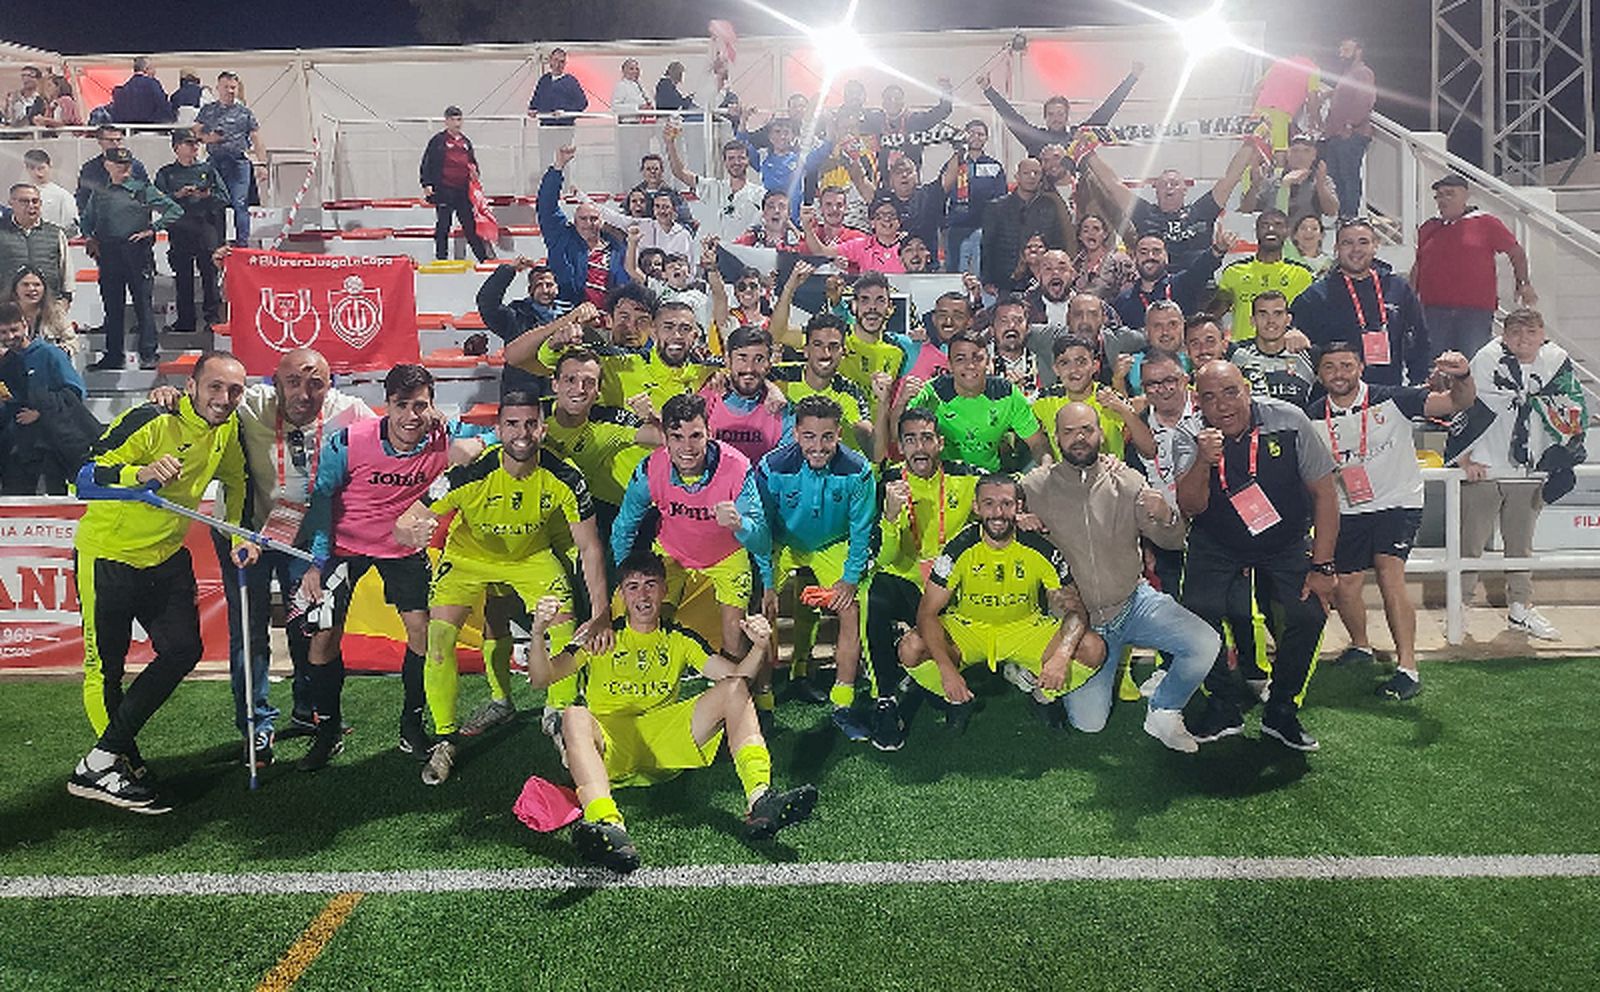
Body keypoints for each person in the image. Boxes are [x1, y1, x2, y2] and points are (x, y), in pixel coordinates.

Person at [148, 348, 375, 760]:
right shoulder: (249, 402)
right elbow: (206, 404)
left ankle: (309, 711)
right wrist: (168, 397)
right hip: (242, 532)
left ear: (330, 385)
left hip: (303, 541)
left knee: (305, 626)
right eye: (293, 382)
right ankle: (256, 724)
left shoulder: (350, 411)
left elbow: (392, 434)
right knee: (249, 632)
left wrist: (436, 423)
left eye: (316, 383)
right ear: (274, 381)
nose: (305, 393)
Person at [528, 552, 817, 873]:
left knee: (734, 690)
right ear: (621, 595)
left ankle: (761, 799)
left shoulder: (679, 638)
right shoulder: (602, 637)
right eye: (633, 587)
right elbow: (542, 678)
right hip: (612, 748)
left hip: (665, 744)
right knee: (574, 715)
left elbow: (739, 679)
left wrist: (762, 646)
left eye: (651, 585)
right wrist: (539, 631)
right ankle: (607, 822)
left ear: (665, 590)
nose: (643, 595)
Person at [67, 352, 253, 813]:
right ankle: (113, 763)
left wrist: (235, 532)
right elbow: (81, 479)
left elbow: (236, 481)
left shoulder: (226, 428)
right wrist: (139, 476)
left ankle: (100, 760)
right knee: (105, 669)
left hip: (166, 557)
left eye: (234, 391)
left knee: (182, 650)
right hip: (108, 556)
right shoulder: (150, 418)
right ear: (191, 386)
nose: (225, 398)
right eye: (215, 387)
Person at [394, 393, 612, 786]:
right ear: (498, 430)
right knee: (439, 637)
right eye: (512, 424)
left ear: (542, 428)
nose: (522, 433)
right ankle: (445, 738)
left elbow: (590, 547)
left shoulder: (565, 474)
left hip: (531, 555)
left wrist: (600, 614)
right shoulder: (469, 471)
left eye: (531, 424)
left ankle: (559, 716)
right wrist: (412, 530)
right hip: (467, 557)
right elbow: (406, 520)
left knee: (565, 625)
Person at [297, 365, 492, 772]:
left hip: (402, 550)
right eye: (401, 405)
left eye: (420, 405)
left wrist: (466, 434)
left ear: (432, 406)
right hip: (343, 547)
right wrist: (317, 561)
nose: (410, 416)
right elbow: (322, 498)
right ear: (386, 405)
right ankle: (328, 730)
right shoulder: (349, 441)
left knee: (423, 630)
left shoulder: (443, 435)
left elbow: (499, 439)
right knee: (323, 638)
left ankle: (411, 723)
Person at [1022, 402, 1218, 749]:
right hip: (1078, 623)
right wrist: (1016, 522)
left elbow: (1173, 542)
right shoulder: (1035, 487)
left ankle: (1164, 710)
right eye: (1068, 432)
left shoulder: (1126, 479)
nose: (1079, 438)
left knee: (1205, 643)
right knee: (1089, 724)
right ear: (1056, 438)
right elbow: (989, 511)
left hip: (1133, 603)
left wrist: (1166, 516)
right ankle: (1031, 675)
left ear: (1101, 434)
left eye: (1087, 430)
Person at [1171, 361, 1339, 751]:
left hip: (1284, 539)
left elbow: (1325, 495)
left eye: (1230, 392)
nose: (1222, 405)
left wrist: (1323, 566)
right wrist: (1202, 460)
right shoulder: (1188, 434)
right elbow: (1191, 506)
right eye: (1209, 397)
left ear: (1247, 389)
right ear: (1198, 402)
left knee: (1308, 612)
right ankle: (1222, 704)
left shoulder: (1290, 420)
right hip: (1216, 540)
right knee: (1196, 612)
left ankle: (1281, 710)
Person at [1310, 341, 1477, 699]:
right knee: (1346, 584)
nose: (1339, 373)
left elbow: (1456, 403)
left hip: (1396, 502)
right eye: (1330, 367)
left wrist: (1462, 375)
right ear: (1319, 373)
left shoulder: (1394, 398)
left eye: (1346, 365)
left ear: (1361, 367)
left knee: (1389, 572)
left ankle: (1407, 668)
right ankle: (1360, 646)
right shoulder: (1311, 416)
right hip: (1347, 508)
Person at [896, 472, 1102, 734]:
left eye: (1006, 504)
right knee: (910, 647)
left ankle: (1043, 697)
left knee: (1092, 647)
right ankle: (956, 701)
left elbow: (1075, 609)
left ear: (1018, 507)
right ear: (976, 507)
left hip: (1024, 628)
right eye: (989, 504)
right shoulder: (958, 548)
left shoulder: (1040, 548)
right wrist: (947, 670)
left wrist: (1061, 656)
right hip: (969, 629)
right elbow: (927, 613)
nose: (998, 512)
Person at [1447, 308, 1587, 641]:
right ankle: (1458, 609)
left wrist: (1558, 458)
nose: (1523, 340)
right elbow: (1464, 406)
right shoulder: (1486, 359)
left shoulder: (1556, 363)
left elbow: (1573, 406)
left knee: (1520, 546)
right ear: (1504, 335)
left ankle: (1520, 610)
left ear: (1542, 334)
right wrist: (1465, 460)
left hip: (1529, 470)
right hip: (1486, 468)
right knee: (1470, 544)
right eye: (1516, 333)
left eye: (1531, 332)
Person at [613, 392, 769, 661]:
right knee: (647, 623)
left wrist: (741, 524)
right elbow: (625, 526)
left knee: (734, 634)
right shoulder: (650, 468)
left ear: (710, 432)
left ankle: (734, 698)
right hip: (671, 553)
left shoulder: (737, 467)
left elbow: (762, 538)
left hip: (727, 556)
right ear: (664, 438)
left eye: (695, 436)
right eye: (677, 437)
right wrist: (625, 576)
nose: (687, 447)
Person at [755, 395, 877, 740]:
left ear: (839, 433)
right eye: (809, 436)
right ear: (795, 433)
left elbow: (861, 530)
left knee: (851, 608)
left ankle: (843, 703)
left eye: (827, 437)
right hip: (784, 543)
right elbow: (761, 528)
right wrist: (766, 581)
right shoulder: (770, 467)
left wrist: (850, 579)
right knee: (762, 614)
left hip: (832, 544)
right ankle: (763, 705)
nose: (818, 446)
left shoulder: (858, 471)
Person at [868, 409, 982, 749]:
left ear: (940, 443)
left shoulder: (966, 477)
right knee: (872, 597)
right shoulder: (888, 483)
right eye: (911, 439)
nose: (920, 447)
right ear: (900, 446)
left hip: (949, 584)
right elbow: (885, 557)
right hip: (902, 579)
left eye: (927, 438)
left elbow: (1010, 489)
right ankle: (885, 698)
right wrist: (890, 515)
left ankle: (937, 683)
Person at [1082, 136, 1261, 271]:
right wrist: (1086, 153)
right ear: (1155, 189)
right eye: (1164, 184)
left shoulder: (1201, 210)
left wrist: (1252, 142)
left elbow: (1230, 179)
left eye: (1175, 184)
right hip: (1157, 283)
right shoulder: (1144, 212)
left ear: (1185, 190)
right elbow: (1113, 185)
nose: (1170, 187)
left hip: (1198, 285)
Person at [1291, 218, 1430, 387]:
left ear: (1375, 246)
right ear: (1336, 249)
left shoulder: (1398, 288)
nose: (1356, 249)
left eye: (1363, 242)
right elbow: (1292, 334)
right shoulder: (1316, 296)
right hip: (1337, 396)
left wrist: (1418, 384)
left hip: (1389, 392)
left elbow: (1420, 339)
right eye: (1347, 243)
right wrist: (1292, 332)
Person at [542, 346, 661, 543]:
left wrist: (652, 418)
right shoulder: (533, 414)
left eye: (589, 382)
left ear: (598, 391)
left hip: (581, 521)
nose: (579, 389)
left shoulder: (608, 421)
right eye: (570, 380)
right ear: (555, 384)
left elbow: (669, 439)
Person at [1411, 174, 1537, 357]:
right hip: (1434, 312)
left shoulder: (1486, 223)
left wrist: (1523, 283)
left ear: (1465, 196)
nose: (1443, 199)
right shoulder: (1428, 228)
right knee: (1434, 366)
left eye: (1449, 194)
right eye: (1439, 195)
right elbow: (1419, 264)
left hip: (1474, 313)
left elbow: (1516, 253)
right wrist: (1411, 297)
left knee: (1473, 364)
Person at [81, 147, 183, 371]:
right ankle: (113, 355)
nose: (123, 168)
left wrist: (152, 229)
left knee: (143, 305)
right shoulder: (100, 192)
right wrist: (89, 238)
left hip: (136, 251)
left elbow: (173, 210)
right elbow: (87, 219)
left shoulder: (142, 189)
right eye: (118, 164)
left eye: (126, 164)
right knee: (112, 306)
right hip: (108, 252)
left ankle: (148, 353)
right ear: (107, 165)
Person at [911, 330, 1049, 472]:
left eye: (977, 358)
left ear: (989, 363)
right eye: (960, 359)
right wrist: (901, 403)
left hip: (989, 481)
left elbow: (1037, 443)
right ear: (950, 365)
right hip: (943, 479)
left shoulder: (1006, 393)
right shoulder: (933, 392)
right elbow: (898, 436)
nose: (970, 365)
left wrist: (1045, 468)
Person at [0, 301, 99, 495]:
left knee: (49, 505)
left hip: (53, 448)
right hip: (19, 449)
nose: (10, 337)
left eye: (14, 330)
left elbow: (75, 392)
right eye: (3, 332)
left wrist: (40, 412)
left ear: (25, 324)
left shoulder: (50, 354)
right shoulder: (6, 363)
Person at [769, 313, 882, 458]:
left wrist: (883, 402)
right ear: (806, 350)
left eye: (833, 346)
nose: (826, 353)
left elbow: (873, 452)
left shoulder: (850, 391)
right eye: (818, 345)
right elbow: (744, 378)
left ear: (843, 352)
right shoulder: (779, 375)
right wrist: (769, 387)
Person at [477, 257, 592, 399]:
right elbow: (487, 303)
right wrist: (509, 270)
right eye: (539, 285)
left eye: (549, 285)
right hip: (522, 390)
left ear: (557, 288)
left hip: (562, 390)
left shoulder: (573, 315)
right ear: (530, 290)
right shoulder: (514, 316)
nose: (545, 290)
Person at [1032, 336, 1154, 463]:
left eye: (1081, 362)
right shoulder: (1044, 400)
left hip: (1108, 477)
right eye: (1064, 363)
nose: (1073, 370)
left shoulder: (1110, 398)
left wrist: (1124, 410)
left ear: (1095, 366)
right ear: (1056, 369)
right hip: (1063, 480)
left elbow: (1149, 451)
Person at [976, 64, 1142, 158]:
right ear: (1045, 118)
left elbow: (1106, 111)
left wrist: (1132, 78)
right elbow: (1011, 117)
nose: (1056, 119)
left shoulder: (1079, 136)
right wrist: (988, 90)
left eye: (1060, 114)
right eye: (1051, 115)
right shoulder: (1034, 137)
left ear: (1067, 117)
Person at [154, 131, 229, 335]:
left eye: (196, 143)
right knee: (183, 277)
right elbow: (156, 201)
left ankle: (212, 319)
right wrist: (177, 195)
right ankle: (185, 319)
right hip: (180, 230)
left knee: (209, 275)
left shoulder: (208, 170)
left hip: (205, 228)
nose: (194, 147)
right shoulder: (166, 173)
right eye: (188, 144)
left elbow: (224, 197)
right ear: (176, 147)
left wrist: (206, 195)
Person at [537, 144, 628, 307]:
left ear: (601, 222)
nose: (588, 224)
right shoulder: (561, 238)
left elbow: (624, 285)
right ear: (574, 221)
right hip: (567, 314)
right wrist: (558, 167)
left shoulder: (617, 249)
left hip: (606, 319)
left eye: (593, 219)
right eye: (583, 219)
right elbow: (546, 205)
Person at [1214, 209, 1315, 339]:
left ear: (1287, 231)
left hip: (1286, 353)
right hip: (1242, 354)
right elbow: (1214, 314)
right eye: (1265, 225)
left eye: (1278, 225)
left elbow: (1312, 317)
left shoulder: (1302, 275)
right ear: (1256, 231)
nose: (1271, 229)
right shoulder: (1234, 272)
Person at [665, 120, 764, 244]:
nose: (736, 162)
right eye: (731, 158)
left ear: (748, 161)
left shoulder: (760, 194)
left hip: (742, 255)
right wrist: (670, 143)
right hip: (711, 255)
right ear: (725, 162)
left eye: (741, 158)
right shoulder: (713, 187)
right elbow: (680, 173)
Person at [704, 325, 793, 463]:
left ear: (769, 363)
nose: (749, 368)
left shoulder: (781, 408)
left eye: (759, 359)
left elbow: (784, 465)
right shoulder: (706, 399)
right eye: (742, 358)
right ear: (727, 360)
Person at [979, 158, 1069, 293]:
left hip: (1041, 279)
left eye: (1036, 173)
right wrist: (987, 280)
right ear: (1017, 177)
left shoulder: (1049, 207)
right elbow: (987, 245)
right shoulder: (997, 207)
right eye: (1027, 173)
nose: (1032, 177)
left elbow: (1058, 243)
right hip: (1005, 280)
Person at [193, 72, 259, 246]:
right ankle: (217, 243)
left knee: (240, 203)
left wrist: (262, 163)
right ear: (218, 88)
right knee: (215, 204)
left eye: (233, 88)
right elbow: (195, 131)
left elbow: (257, 138)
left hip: (237, 162)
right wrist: (208, 138)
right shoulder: (208, 111)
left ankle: (242, 243)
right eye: (226, 87)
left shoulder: (245, 113)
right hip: (215, 161)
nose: (230, 91)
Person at [1111, 232, 1226, 330]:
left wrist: (1218, 250)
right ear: (1134, 258)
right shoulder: (1122, 302)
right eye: (1143, 252)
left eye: (1156, 251)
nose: (1150, 256)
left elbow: (1201, 268)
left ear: (1167, 257)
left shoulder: (1183, 284)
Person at [419, 106, 491, 263]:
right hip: (444, 189)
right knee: (443, 225)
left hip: (462, 191)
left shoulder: (465, 142)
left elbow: (472, 163)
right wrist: (427, 183)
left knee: (470, 226)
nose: (456, 123)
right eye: (453, 119)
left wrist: (475, 173)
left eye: (459, 119)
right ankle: (441, 258)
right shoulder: (438, 141)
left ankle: (483, 258)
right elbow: (427, 163)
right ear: (446, 121)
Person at [940, 119, 1006, 276]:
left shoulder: (995, 166)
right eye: (972, 133)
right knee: (955, 275)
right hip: (957, 228)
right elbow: (941, 194)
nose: (976, 137)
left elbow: (1002, 201)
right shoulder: (953, 164)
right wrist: (944, 224)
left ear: (986, 138)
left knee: (982, 274)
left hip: (984, 229)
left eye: (981, 134)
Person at [1320, 39, 1378, 219]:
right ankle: (1338, 215)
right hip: (1335, 135)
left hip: (1350, 134)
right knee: (1334, 178)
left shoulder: (1363, 72)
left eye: (1346, 49)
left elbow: (1365, 99)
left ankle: (1349, 217)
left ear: (1358, 51)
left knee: (1348, 176)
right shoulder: (1348, 74)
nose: (1341, 52)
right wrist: (1330, 93)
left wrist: (1350, 124)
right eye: (1340, 48)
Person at [1230, 291, 1315, 408]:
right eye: (1263, 314)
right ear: (1252, 320)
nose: (1271, 321)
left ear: (1288, 319)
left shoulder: (1308, 354)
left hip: (1297, 425)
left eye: (1278, 314)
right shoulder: (1235, 354)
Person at [0, 182, 71, 313]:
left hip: (50, 306)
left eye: (35, 201)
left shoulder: (55, 233)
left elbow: (66, 269)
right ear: (11, 203)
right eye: (24, 201)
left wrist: (66, 298)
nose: (31, 206)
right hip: (7, 308)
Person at [1239, 136, 1338, 221]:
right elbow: (1246, 209)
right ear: (1287, 154)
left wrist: (1320, 186)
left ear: (1314, 155)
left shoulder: (1322, 180)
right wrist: (1255, 185)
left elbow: (1332, 211)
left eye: (1306, 151)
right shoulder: (1271, 180)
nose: (1300, 155)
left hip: (1305, 237)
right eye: (1295, 151)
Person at [1251, 53, 1322, 158]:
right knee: (1280, 149)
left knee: (1252, 146)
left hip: (1259, 110)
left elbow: (1257, 88)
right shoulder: (1312, 68)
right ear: (1315, 58)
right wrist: (1314, 121)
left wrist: (1254, 110)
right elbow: (1313, 98)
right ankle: (1279, 173)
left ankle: (1237, 174)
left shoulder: (1279, 63)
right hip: (1280, 112)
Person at [75, 125, 149, 216]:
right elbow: (83, 197)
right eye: (110, 140)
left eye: (118, 140)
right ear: (100, 141)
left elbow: (146, 194)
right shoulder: (90, 168)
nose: (115, 144)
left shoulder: (136, 166)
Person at [9, 265, 77, 359]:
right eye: (25, 284)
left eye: (37, 285)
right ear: (15, 289)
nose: (32, 289)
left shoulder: (56, 312)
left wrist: (60, 352)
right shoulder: (5, 312)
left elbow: (72, 341)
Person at [1071, 213, 1134, 301]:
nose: (1091, 234)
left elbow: (1129, 293)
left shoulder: (1120, 260)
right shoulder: (1076, 264)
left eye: (1096, 229)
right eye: (1086, 230)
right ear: (1080, 236)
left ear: (1105, 234)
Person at [22, 150, 79, 233]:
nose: (37, 173)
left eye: (41, 168)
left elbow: (70, 227)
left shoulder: (63, 196)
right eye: (32, 168)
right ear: (27, 169)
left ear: (50, 166)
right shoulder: (20, 195)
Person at [110, 57, 173, 124]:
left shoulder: (123, 90)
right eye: (152, 68)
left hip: (128, 129)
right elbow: (163, 105)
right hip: (151, 127)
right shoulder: (153, 84)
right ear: (146, 69)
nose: (155, 71)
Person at [529, 48, 588, 118]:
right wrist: (533, 110)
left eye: (561, 62)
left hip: (565, 126)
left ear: (565, 64)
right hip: (545, 126)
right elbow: (535, 101)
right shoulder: (544, 80)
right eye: (555, 60)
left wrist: (565, 112)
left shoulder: (571, 82)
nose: (557, 65)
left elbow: (582, 103)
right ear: (550, 61)